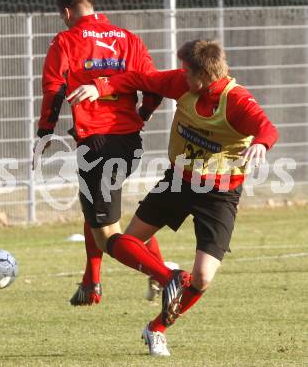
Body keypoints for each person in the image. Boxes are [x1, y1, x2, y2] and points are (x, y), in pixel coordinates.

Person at [67, 39, 279, 356]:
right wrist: (102, 86)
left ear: (202, 74)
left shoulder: (235, 101)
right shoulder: (183, 84)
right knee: (124, 244)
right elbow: (140, 78)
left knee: (204, 277)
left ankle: (157, 328)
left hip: (219, 194)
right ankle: (170, 277)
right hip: (179, 181)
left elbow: (267, 127)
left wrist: (261, 143)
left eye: (185, 69)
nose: (180, 73)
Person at [35, 0, 169, 306]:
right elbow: (154, 85)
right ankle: (91, 283)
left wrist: (44, 133)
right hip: (130, 143)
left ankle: (167, 277)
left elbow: (53, 90)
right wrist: (144, 114)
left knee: (107, 232)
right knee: (97, 211)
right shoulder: (129, 39)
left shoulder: (66, 40)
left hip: (95, 144)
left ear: (67, 13)